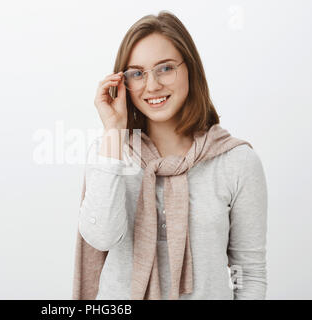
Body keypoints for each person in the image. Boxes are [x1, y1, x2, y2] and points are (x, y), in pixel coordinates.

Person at [72, 10, 267, 300]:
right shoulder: (110, 154)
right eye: (137, 73)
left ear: (190, 69)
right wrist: (113, 130)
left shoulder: (236, 161)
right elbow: (102, 238)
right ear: (123, 84)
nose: (152, 86)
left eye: (165, 68)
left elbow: (249, 274)